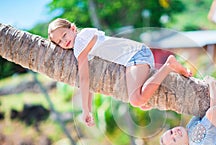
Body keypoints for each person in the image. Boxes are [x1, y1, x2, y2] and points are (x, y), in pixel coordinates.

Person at [48, 18, 192, 127]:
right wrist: (89, 109)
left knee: (136, 100)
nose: (64, 41)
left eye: (64, 35)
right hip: (133, 57)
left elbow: (84, 79)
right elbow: (89, 81)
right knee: (142, 103)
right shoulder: (84, 37)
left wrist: (85, 110)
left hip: (136, 55)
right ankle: (173, 68)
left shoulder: (80, 43)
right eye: (59, 42)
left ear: (73, 28)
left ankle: (168, 65)